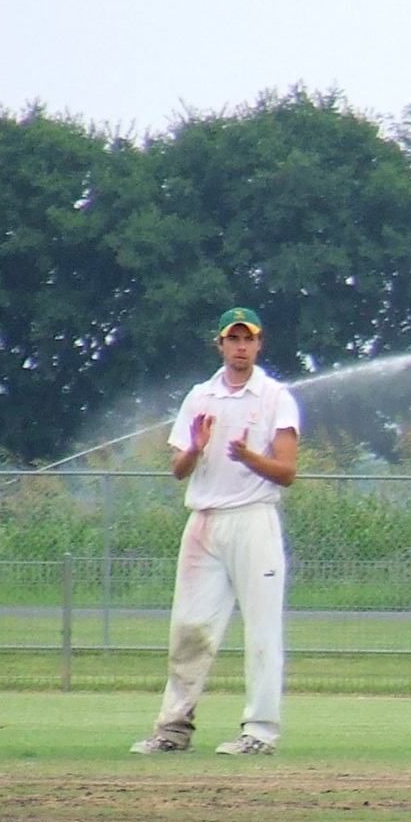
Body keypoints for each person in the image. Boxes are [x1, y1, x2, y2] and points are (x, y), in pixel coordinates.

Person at [131, 306, 301, 756]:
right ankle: (173, 729)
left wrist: (249, 458)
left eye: (248, 339)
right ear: (220, 345)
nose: (241, 348)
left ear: (259, 345)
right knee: (189, 628)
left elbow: (287, 472)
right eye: (233, 339)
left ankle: (260, 732)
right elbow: (178, 469)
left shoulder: (275, 396)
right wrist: (196, 448)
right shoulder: (200, 396)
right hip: (204, 521)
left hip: (254, 520)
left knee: (262, 632)